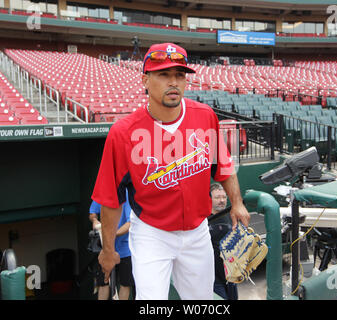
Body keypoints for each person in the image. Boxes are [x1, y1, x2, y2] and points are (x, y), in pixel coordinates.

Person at [92, 42, 250, 300]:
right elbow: (111, 200)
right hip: (152, 234)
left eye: (179, 75)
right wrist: (108, 249)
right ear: (145, 80)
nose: (173, 82)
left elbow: (223, 166)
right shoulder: (123, 133)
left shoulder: (205, 116)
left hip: (198, 231)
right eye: (163, 74)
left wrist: (237, 203)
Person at [89, 192, 135, 300]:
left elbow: (130, 223)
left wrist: (112, 235)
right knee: (103, 283)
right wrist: (95, 220)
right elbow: (92, 213)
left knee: (125, 283)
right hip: (105, 250)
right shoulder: (103, 191)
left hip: (125, 251)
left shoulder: (127, 194)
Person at [208, 183, 238, 300]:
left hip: (231, 274)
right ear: (209, 199)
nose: (221, 200)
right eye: (217, 197)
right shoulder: (203, 219)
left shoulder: (230, 216)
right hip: (213, 276)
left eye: (224, 197)